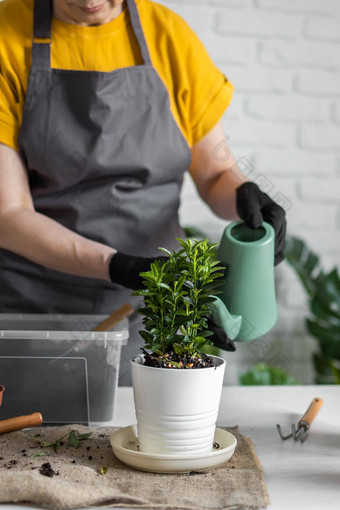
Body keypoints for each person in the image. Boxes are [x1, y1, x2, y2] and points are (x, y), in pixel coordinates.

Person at [0, 0, 286, 385]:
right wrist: (119, 266)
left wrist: (245, 195)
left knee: (143, 432)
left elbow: (214, 171)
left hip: (154, 307)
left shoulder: (168, 35)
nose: (89, 2)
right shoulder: (6, 34)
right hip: (37, 310)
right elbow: (9, 213)